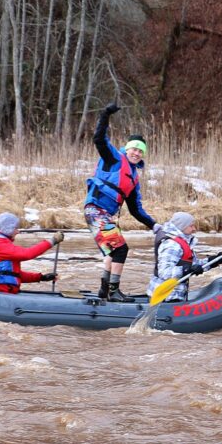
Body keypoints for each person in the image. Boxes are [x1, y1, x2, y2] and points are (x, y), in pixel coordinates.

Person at [83, 101, 158, 301]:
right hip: (95, 210)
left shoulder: (133, 178)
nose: (136, 153)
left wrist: (154, 225)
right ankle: (114, 291)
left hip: (104, 215)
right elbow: (99, 138)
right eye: (134, 149)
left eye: (140, 151)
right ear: (127, 149)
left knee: (111, 251)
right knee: (120, 249)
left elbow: (135, 210)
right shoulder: (113, 158)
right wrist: (106, 114)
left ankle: (104, 290)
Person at [0, 212, 63, 293]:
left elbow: (14, 274)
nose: (18, 231)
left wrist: (41, 277)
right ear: (7, 229)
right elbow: (27, 254)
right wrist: (52, 241)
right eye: (15, 228)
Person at [149, 212, 222, 303]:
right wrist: (187, 270)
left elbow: (194, 265)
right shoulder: (172, 245)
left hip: (175, 294)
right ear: (182, 226)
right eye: (191, 226)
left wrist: (214, 261)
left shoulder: (183, 241)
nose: (194, 229)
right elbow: (164, 272)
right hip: (166, 297)